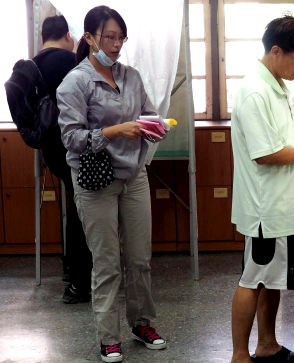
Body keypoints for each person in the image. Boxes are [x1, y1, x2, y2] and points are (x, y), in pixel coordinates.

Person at [56, 6, 166, 362]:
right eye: (109, 37)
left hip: (134, 175)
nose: (117, 45)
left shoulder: (131, 76)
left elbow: (146, 113)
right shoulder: (75, 82)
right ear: (89, 38)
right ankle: (109, 337)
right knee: (106, 263)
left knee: (140, 259)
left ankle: (142, 323)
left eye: (121, 38)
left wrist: (155, 125)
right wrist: (117, 130)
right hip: (94, 182)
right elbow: (71, 139)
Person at [229, 16, 294, 363]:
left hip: (281, 208)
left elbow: (282, 142)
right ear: (276, 51)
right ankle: (239, 356)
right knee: (254, 279)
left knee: (272, 279)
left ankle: (267, 345)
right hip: (267, 210)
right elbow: (265, 154)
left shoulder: (276, 86)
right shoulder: (254, 92)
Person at [34, 15, 93, 304]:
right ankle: (81, 281)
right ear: (68, 36)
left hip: (50, 149)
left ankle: (72, 272)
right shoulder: (71, 64)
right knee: (84, 210)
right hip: (75, 145)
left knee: (75, 206)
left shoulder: (32, 65)